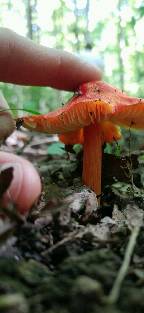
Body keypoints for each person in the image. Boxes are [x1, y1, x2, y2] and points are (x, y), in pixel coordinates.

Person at [0, 27, 102, 214]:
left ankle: (96, 201)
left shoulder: (84, 57)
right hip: (84, 91)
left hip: (96, 92)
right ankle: (91, 202)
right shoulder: (94, 58)